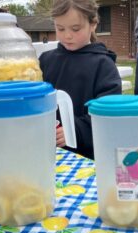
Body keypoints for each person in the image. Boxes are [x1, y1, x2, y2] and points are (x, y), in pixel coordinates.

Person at [39, 0, 121, 159]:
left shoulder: (104, 66)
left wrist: (73, 131)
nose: (67, 35)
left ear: (93, 24)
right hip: (46, 153)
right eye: (60, 28)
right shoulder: (45, 60)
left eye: (75, 29)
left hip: (87, 156)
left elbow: (109, 116)